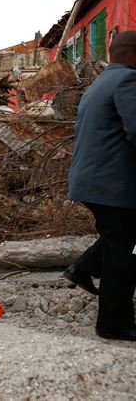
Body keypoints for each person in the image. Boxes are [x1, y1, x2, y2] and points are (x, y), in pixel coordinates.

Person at [66, 31, 136, 342]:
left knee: (119, 239)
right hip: (112, 185)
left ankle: (82, 267)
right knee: (124, 254)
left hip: (93, 181)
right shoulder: (127, 81)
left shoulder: (99, 84)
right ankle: (113, 324)